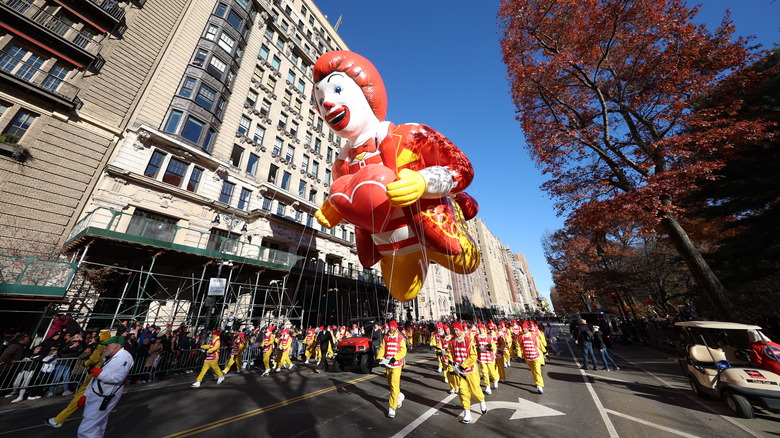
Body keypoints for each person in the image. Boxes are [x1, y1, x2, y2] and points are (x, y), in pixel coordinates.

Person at [312, 50, 480, 304]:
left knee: (468, 263)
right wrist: (336, 211)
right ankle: (417, 257)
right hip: (391, 247)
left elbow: (462, 167)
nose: (326, 103)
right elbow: (358, 207)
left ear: (365, 92)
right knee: (402, 293)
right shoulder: (340, 166)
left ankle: (455, 206)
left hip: (433, 228)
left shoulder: (411, 134)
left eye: (336, 90)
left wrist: (423, 182)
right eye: (320, 97)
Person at [47, 330, 112, 429]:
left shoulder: (100, 346)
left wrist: (86, 363)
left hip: (94, 375)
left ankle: (59, 420)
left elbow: (94, 359)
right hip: (104, 376)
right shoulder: (113, 348)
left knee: (79, 397)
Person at [75, 335, 134, 438]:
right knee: (97, 424)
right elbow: (95, 380)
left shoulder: (125, 357)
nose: (104, 348)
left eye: (107, 345)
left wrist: (100, 373)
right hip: (97, 394)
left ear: (115, 346)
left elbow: (118, 377)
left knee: (86, 429)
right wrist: (86, 395)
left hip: (104, 397)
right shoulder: (110, 357)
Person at [447, 322, 487, 424]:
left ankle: (482, 401)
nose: (455, 332)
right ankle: (467, 413)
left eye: (457, 330)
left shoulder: (469, 341)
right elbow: (449, 355)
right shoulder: (451, 342)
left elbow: (473, 356)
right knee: (462, 392)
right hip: (459, 372)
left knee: (475, 390)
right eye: (454, 330)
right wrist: (452, 368)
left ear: (461, 330)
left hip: (470, 371)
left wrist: (463, 365)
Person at [376, 321, 407, 419]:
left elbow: (403, 351)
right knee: (390, 384)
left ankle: (392, 408)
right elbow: (382, 348)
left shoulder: (401, 338)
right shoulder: (386, 337)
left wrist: (396, 357)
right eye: (390, 327)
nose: (391, 328)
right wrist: (379, 357)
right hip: (387, 364)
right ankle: (399, 395)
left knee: (393, 385)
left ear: (396, 327)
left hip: (397, 365)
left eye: (393, 327)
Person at [520, 323, 545, 394]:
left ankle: (540, 385)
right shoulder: (521, 337)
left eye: (525, 328)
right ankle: (536, 381)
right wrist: (519, 355)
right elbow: (519, 346)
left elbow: (540, 345)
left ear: (528, 328)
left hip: (536, 357)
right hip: (527, 357)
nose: (524, 329)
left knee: (537, 371)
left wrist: (545, 352)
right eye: (522, 328)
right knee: (533, 371)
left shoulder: (534, 336)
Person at [474, 323, 499, 394]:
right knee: (484, 372)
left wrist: (490, 346)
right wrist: (477, 349)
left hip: (489, 357)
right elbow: (474, 345)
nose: (480, 330)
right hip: (481, 357)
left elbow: (494, 347)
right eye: (479, 329)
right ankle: (487, 386)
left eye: (481, 329)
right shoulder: (476, 337)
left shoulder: (489, 336)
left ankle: (495, 380)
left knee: (492, 372)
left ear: (484, 329)